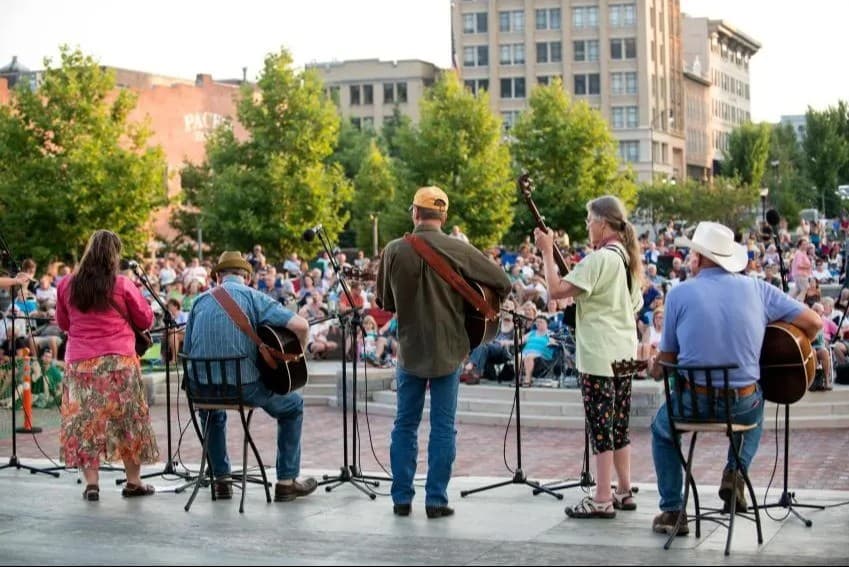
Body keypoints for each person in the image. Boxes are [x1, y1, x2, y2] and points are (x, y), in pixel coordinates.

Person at [648, 222, 821, 536]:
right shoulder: (758, 288)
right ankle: (734, 473)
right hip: (742, 404)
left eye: (692, 253)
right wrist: (782, 345)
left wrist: (654, 367)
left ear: (700, 258)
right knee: (757, 405)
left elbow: (667, 361)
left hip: (694, 405)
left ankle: (673, 511)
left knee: (662, 429)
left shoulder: (679, 294)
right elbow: (814, 322)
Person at [376, 186, 511, 518]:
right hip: (449, 351)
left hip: (409, 351)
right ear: (444, 215)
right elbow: (502, 281)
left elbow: (385, 302)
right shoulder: (458, 249)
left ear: (414, 212)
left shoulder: (394, 250)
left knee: (404, 425)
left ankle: (401, 498)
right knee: (443, 426)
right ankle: (436, 500)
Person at [534, 195, 644, 520]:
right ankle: (623, 490)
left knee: (601, 427)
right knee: (619, 424)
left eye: (589, 221)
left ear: (603, 223)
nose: (587, 227)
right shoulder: (627, 259)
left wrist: (545, 251)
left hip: (599, 354)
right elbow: (632, 305)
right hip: (624, 352)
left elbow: (555, 289)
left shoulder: (600, 259)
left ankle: (601, 497)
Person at [182, 251, 318, 502]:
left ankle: (221, 480)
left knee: (212, 411)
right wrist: (298, 359)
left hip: (202, 390)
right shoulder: (254, 297)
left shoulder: (199, 302)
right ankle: (286, 482)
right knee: (293, 406)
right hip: (245, 388)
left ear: (218, 276)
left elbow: (187, 350)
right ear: (245, 275)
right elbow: (302, 326)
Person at [56, 230, 159, 501]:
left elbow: (64, 324)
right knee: (128, 422)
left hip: (80, 364)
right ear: (114, 255)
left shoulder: (67, 284)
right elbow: (146, 320)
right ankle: (134, 482)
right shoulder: (122, 285)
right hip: (120, 363)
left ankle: (92, 485)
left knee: (86, 423)